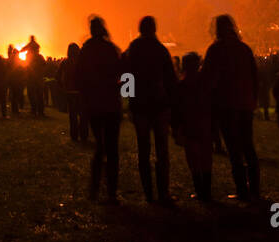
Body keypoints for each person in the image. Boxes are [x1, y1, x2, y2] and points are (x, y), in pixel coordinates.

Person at [202, 14, 260, 201]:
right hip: (244, 103)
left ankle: (242, 189)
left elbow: (209, 79)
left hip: (226, 104)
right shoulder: (244, 49)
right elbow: (254, 76)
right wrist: (253, 99)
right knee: (248, 146)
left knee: (234, 148)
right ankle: (255, 188)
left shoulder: (216, 50)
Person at [124, 15, 178, 205]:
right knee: (162, 150)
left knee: (143, 149)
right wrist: (173, 103)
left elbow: (126, 75)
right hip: (159, 104)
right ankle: (163, 192)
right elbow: (170, 79)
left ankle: (148, 193)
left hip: (140, 106)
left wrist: (129, 99)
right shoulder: (161, 50)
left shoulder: (133, 49)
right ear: (154, 28)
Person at [74, 16, 123, 203]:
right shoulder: (110, 49)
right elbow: (122, 72)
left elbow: (78, 78)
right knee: (112, 149)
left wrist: (86, 95)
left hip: (94, 105)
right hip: (111, 104)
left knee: (99, 147)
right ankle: (111, 191)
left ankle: (94, 189)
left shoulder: (86, 51)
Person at [172, 52, 213, 202]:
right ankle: (206, 191)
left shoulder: (182, 86)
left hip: (189, 124)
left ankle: (200, 190)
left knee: (193, 159)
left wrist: (176, 128)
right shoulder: (205, 84)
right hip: (204, 123)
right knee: (206, 158)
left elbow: (176, 109)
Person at [60, 42, 90, 142]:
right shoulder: (84, 62)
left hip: (70, 92)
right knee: (83, 114)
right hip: (82, 91)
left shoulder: (65, 62)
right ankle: (84, 135)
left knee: (72, 115)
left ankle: (74, 136)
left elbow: (58, 76)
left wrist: (63, 87)